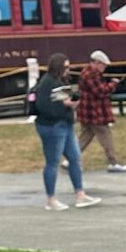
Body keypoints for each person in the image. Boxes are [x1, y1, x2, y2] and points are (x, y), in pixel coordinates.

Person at [32, 53, 99, 210]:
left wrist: (71, 102)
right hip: (52, 126)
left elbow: (62, 101)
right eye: (66, 67)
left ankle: (80, 194)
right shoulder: (47, 82)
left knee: (75, 158)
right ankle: (51, 199)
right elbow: (44, 106)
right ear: (58, 67)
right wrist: (66, 105)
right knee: (53, 162)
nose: (68, 70)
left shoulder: (59, 81)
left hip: (66, 124)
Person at [76, 51, 126, 172]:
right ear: (96, 63)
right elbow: (100, 91)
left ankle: (69, 160)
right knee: (106, 136)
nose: (104, 68)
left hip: (87, 111)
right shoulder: (91, 75)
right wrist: (113, 84)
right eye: (103, 65)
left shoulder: (86, 73)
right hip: (95, 112)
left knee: (85, 137)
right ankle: (113, 162)